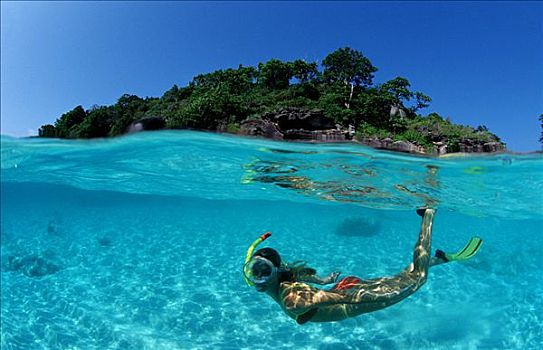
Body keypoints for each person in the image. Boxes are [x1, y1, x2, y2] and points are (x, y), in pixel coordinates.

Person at [243, 208, 482, 324]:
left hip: (351, 297)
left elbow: (344, 301)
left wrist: (375, 298)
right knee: (401, 277)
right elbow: (302, 277)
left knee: (418, 279)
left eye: (263, 271)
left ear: (274, 271)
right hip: (345, 288)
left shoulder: (293, 300)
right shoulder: (284, 277)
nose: (257, 278)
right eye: (254, 271)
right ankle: (437, 259)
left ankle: (428, 214)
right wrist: (326, 281)